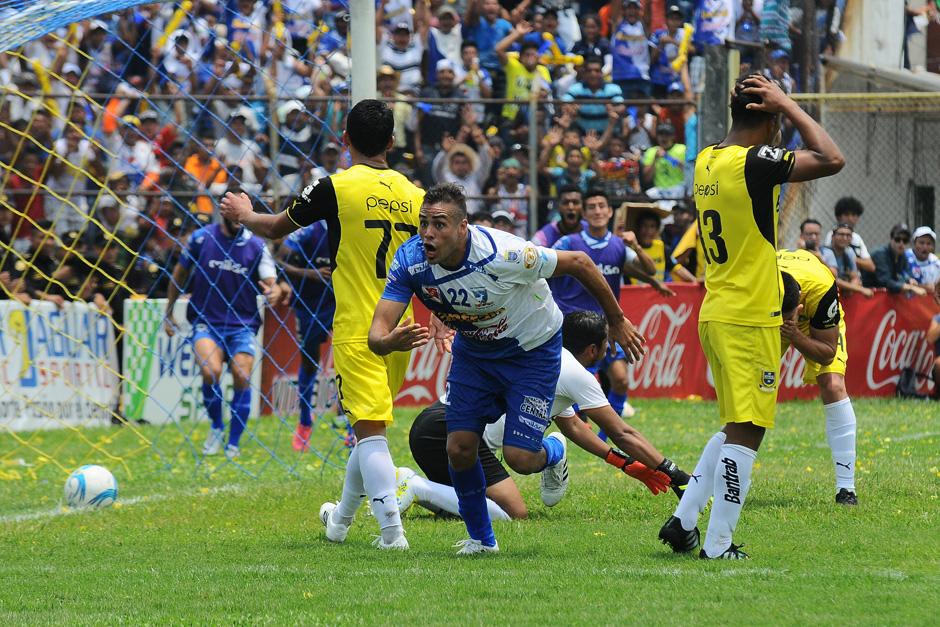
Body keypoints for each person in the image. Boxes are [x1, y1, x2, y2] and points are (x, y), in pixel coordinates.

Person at [368, 183, 644, 555]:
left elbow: (579, 262)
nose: (428, 234)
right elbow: (377, 334)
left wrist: (617, 320)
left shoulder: (505, 254)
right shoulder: (411, 259)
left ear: (463, 227)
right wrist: (388, 342)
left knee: (520, 458)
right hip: (476, 354)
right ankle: (483, 541)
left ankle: (553, 450)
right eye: (423, 224)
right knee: (459, 448)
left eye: (439, 225)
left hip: (532, 351)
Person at [220, 100, 427, 551]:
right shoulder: (415, 195)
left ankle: (392, 534)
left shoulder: (335, 186)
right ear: (392, 142)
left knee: (369, 431)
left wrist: (244, 212)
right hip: (404, 328)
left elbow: (275, 228)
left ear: (345, 139)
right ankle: (340, 522)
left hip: (360, 328)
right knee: (365, 426)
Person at [660, 73, 844, 560]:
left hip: (717, 308)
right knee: (749, 430)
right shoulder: (755, 162)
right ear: (768, 121)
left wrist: (773, 108)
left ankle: (683, 523)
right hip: (749, 314)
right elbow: (832, 158)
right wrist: (788, 103)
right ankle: (718, 545)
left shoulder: (707, 158)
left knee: (734, 425)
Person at [402, 310, 691, 520]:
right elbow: (622, 432)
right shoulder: (575, 373)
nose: (609, 349)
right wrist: (673, 471)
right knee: (512, 514)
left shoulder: (545, 357)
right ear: (593, 349)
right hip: (456, 433)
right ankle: (415, 486)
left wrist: (623, 463)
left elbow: (574, 426)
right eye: (607, 344)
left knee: (468, 507)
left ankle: (422, 489)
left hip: (431, 425)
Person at [163, 213, 281, 460]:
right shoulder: (200, 239)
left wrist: (274, 291)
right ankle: (216, 427)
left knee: (241, 374)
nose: (238, 219)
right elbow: (179, 274)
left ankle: (233, 443)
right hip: (206, 321)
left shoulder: (257, 245)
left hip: (243, 324)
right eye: (234, 214)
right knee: (210, 371)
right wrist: (169, 312)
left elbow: (272, 282)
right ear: (223, 213)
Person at [551, 190, 673, 421]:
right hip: (574, 328)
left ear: (609, 212)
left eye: (601, 206)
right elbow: (545, 262)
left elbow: (648, 269)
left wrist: (636, 246)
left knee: (621, 379)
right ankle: (582, 430)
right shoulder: (569, 242)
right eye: (592, 207)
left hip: (607, 327)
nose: (597, 211)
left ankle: (606, 436)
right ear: (584, 214)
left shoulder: (619, 246)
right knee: (578, 384)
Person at [777, 249, 860, 505]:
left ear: (798, 305)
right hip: (772, 310)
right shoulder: (756, 280)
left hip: (814, 312)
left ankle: (846, 488)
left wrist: (797, 335)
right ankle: (725, 476)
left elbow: (826, 354)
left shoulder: (822, 289)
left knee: (833, 384)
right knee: (751, 390)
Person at [275, 221, 336, 452]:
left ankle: (349, 424)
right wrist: (309, 273)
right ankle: (304, 422)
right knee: (310, 363)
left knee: (350, 357)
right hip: (308, 305)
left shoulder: (350, 224)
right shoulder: (308, 231)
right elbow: (279, 261)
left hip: (341, 303)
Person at [861, 224, 928, 297]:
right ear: (891, 239)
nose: (901, 243)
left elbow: (908, 273)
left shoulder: (902, 255)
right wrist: (911, 287)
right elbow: (885, 281)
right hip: (868, 295)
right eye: (897, 239)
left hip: (883, 296)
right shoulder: (880, 254)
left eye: (905, 240)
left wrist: (910, 280)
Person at [820, 223, 873, 298]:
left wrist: (851, 288)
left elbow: (855, 277)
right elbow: (833, 280)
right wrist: (860, 289)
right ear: (833, 237)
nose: (845, 238)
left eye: (848, 235)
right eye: (841, 234)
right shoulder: (826, 252)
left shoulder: (849, 251)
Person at [823, 197, 874, 273]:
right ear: (838, 216)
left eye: (854, 215)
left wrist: (850, 258)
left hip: (854, 277)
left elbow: (870, 266)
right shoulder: (832, 234)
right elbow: (828, 260)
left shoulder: (857, 237)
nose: (850, 218)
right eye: (846, 214)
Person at [906, 226, 940, 291]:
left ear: (933, 246)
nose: (925, 247)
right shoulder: (904, 259)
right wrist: (925, 287)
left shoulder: (937, 264)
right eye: (921, 243)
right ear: (914, 243)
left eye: (929, 243)